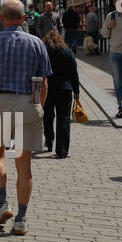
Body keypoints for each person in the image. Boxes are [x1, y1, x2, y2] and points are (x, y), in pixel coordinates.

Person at [0, 0, 52, 236]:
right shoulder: (37, 43)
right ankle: (21, 219)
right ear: (24, 18)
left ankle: (2, 203)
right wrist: (39, 107)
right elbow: (44, 82)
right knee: (24, 165)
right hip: (27, 104)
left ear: (1, 18)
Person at [42, 29, 81, 158]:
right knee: (63, 118)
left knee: (47, 116)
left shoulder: (44, 52)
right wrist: (76, 91)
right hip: (65, 88)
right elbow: (73, 73)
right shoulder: (67, 52)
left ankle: (49, 141)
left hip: (48, 88)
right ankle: (62, 150)